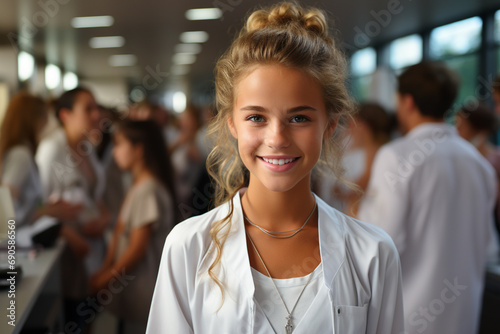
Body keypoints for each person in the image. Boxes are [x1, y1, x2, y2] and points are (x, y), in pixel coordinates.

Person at [146, 3, 404, 334]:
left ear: (330, 125)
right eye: (256, 117)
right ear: (233, 125)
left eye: (299, 118)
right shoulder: (189, 246)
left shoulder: (372, 254)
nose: (277, 138)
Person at [358, 62, 498, 334]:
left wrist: (354, 212)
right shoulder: (478, 163)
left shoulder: (396, 156)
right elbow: (489, 247)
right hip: (464, 319)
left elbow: (379, 241)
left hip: (407, 318)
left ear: (407, 102)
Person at [90, 120, 176, 333]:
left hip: (143, 292)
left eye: (119, 145)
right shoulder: (138, 185)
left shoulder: (147, 190)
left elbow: (136, 250)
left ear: (138, 150)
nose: (115, 152)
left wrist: (106, 279)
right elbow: (121, 233)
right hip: (133, 291)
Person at [35, 87, 109, 331]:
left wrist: (104, 219)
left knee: (89, 316)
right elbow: (38, 208)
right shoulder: (51, 150)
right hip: (68, 254)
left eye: (96, 108)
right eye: (88, 109)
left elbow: (95, 195)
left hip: (93, 247)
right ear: (65, 115)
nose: (96, 114)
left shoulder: (86, 146)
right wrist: (68, 234)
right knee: (73, 318)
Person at [0, 92, 81, 228]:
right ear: (34, 119)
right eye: (45, 116)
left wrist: (46, 208)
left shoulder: (22, 152)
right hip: (13, 244)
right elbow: (5, 211)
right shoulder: (20, 154)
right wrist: (45, 211)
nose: (48, 122)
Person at [456, 104, 500, 232]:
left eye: (461, 126)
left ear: (479, 130)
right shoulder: (459, 160)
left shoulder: (496, 160)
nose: (456, 130)